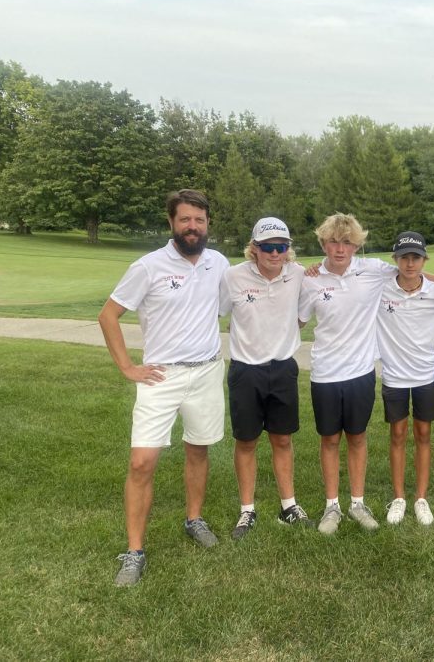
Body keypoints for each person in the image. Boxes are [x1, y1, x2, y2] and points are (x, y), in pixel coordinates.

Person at [98, 189, 230, 587]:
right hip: (161, 376)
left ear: (209, 225)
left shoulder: (218, 263)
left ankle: (194, 519)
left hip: (206, 372)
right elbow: (108, 316)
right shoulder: (148, 266)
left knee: (198, 448)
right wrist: (127, 367)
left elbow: (235, 300)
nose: (193, 226)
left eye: (200, 220)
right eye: (185, 219)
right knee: (142, 461)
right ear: (171, 222)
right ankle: (134, 551)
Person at [297, 213, 395, 534]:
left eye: (347, 242)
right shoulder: (310, 279)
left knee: (357, 436)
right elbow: (295, 322)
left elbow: (413, 272)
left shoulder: (374, 271)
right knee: (329, 439)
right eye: (334, 241)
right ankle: (331, 506)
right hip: (325, 372)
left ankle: (357, 502)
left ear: (356, 246)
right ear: (324, 243)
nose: (340, 249)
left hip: (361, 372)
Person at [219, 217, 313, 540]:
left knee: (283, 439)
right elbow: (217, 313)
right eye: (268, 247)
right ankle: (247, 510)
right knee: (246, 441)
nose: (276, 254)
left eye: (282, 247)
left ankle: (289, 506)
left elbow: (301, 319)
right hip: (246, 371)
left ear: (289, 250)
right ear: (254, 248)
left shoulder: (298, 275)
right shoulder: (232, 277)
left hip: (283, 369)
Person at [376, 232, 434, 526]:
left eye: (416, 257)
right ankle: (399, 497)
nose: (410, 263)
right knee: (397, 435)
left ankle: (420, 497)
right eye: (404, 257)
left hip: (426, 375)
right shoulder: (379, 288)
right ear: (396, 260)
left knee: (424, 435)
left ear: (423, 260)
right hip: (394, 375)